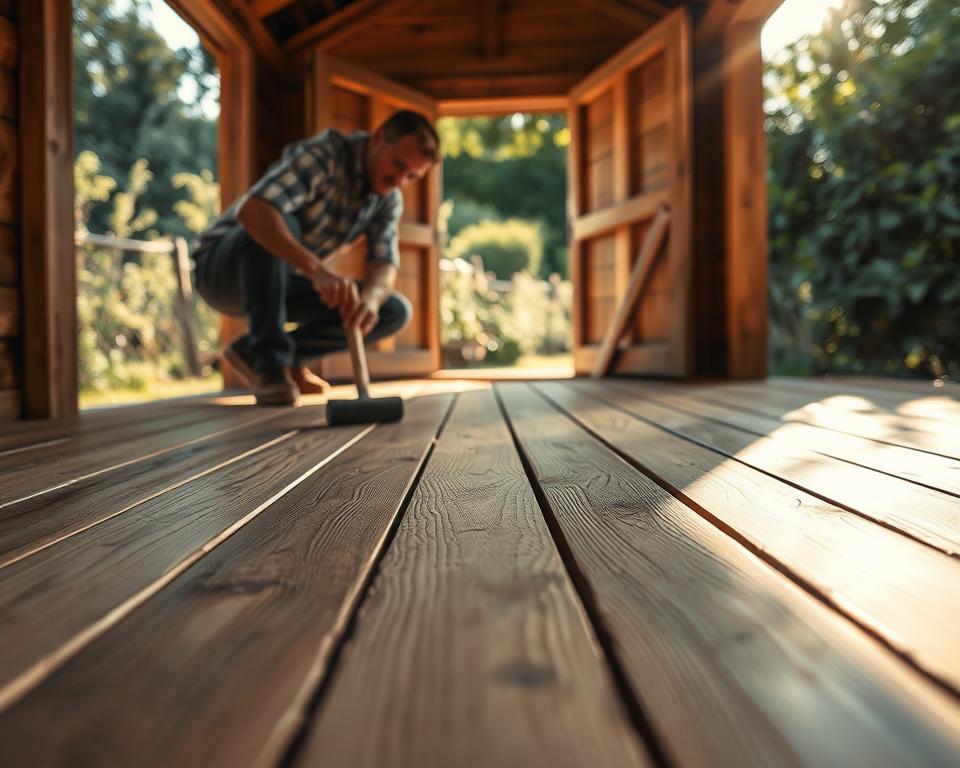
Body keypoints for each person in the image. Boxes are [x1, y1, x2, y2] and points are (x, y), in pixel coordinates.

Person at [192, 110, 439, 405]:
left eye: (411, 176)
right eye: (398, 164)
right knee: (281, 220)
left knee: (392, 310)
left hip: (284, 281)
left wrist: (370, 300)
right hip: (222, 272)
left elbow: (383, 263)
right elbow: (253, 211)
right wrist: (317, 271)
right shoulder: (327, 154)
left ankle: (263, 354)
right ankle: (269, 364)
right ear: (378, 138)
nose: (399, 179)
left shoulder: (388, 198)